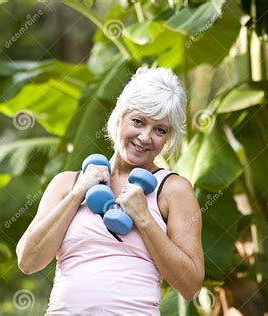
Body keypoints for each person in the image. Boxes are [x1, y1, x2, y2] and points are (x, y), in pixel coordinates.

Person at [16, 67, 205, 315]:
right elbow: (28, 261)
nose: (146, 137)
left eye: (160, 130)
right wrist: (78, 194)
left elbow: (190, 285)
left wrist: (144, 219)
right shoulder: (67, 183)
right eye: (138, 121)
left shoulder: (174, 190)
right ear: (119, 117)